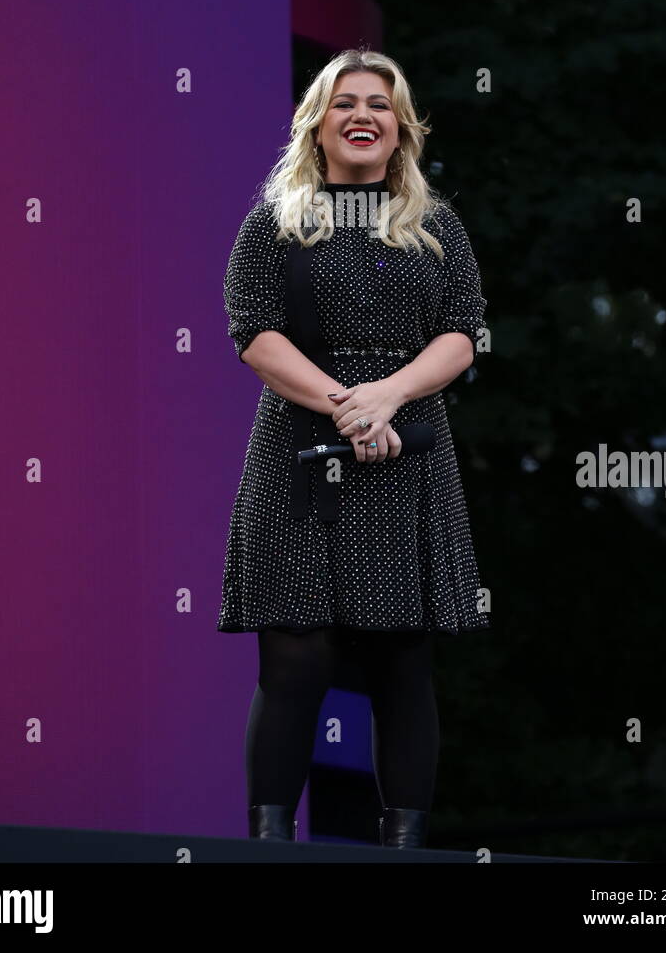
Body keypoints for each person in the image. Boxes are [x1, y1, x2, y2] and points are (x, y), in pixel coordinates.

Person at [219, 47, 490, 849]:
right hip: (299, 454)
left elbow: (463, 332)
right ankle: (268, 845)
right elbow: (253, 332)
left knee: (403, 665)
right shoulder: (275, 220)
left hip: (409, 455)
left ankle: (402, 848)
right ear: (318, 123)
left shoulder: (436, 224)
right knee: (294, 663)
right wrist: (348, 408)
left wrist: (389, 399)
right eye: (344, 103)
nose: (362, 114)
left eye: (379, 102)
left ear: (401, 125)